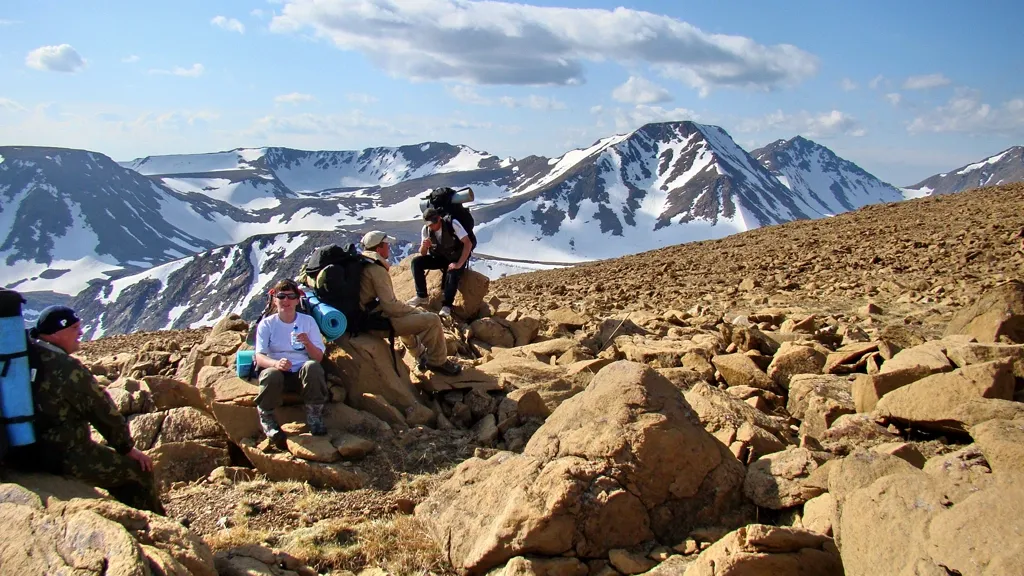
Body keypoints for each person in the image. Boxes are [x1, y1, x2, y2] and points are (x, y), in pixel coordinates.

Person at [9, 306, 165, 514]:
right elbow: (102, 410)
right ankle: (154, 523)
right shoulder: (65, 368)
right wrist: (127, 448)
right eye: (75, 328)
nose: (80, 333)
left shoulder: (25, 352)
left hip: (19, 450)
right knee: (138, 471)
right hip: (61, 454)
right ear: (57, 332)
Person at [360, 230, 462, 376]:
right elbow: (391, 306)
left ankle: (420, 356)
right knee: (432, 320)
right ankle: (438, 362)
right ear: (378, 248)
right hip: (375, 323)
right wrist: (414, 311)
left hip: (366, 318)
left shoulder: (363, 263)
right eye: (386, 244)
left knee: (405, 320)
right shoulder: (376, 270)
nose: (389, 247)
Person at [254, 279, 328, 447]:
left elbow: (318, 357)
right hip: (278, 371)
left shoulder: (307, 322)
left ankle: (314, 417)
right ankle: (268, 421)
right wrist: (275, 364)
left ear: (297, 300)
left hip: (301, 373)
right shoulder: (267, 324)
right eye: (281, 296)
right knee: (270, 374)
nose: (286, 301)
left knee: (313, 367)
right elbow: (259, 356)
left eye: (290, 296)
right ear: (275, 299)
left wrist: (308, 343)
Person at [407, 207, 474, 318]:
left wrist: (459, 264)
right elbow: (422, 253)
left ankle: (447, 305)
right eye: (429, 224)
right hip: (440, 257)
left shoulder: (452, 224)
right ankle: (422, 296)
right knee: (416, 262)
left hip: (456, 257)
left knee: (452, 273)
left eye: (433, 223)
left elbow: (468, 244)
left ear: (439, 219)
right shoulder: (426, 229)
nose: (431, 227)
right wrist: (424, 246)